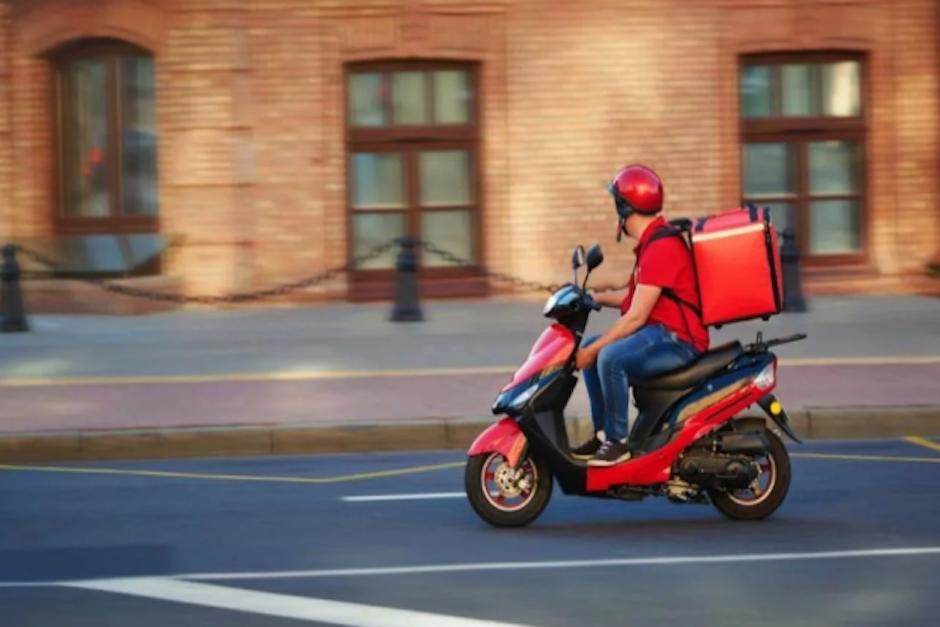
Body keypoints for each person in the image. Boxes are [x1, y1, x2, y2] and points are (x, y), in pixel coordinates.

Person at [572, 165, 709, 466]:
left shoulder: (661, 246)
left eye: (616, 202)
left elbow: (635, 317)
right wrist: (593, 297)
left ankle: (617, 443)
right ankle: (603, 435)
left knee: (609, 357)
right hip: (660, 333)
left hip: (678, 342)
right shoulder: (652, 243)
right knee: (595, 346)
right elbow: (633, 298)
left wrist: (592, 352)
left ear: (624, 207)